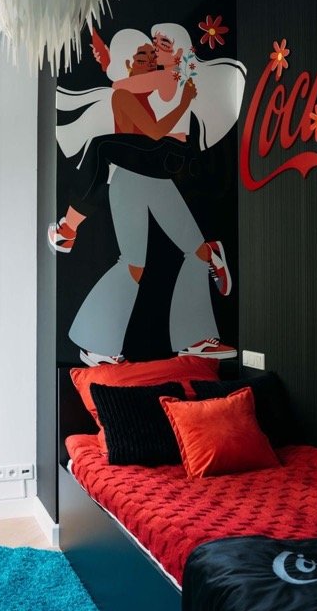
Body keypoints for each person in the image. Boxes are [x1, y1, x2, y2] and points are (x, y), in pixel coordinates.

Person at [58, 37, 234, 366]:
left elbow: (154, 122)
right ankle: (95, 345)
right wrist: (184, 102)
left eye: (152, 56)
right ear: (128, 64)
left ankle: (195, 338)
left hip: (155, 179)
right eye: (143, 57)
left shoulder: (146, 95)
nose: (150, 60)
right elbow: (153, 132)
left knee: (194, 250)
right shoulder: (124, 95)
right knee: (134, 264)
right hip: (130, 181)